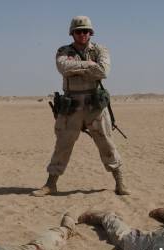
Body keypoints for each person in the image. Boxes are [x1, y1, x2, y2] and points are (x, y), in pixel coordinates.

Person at [33, 16, 129, 197]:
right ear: (72, 33)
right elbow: (63, 67)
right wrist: (89, 66)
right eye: (78, 31)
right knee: (63, 144)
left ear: (91, 33)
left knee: (106, 144)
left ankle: (120, 182)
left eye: (85, 31)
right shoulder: (63, 50)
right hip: (71, 106)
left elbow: (103, 71)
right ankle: (50, 184)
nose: (82, 34)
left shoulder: (101, 49)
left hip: (95, 106)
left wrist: (77, 68)